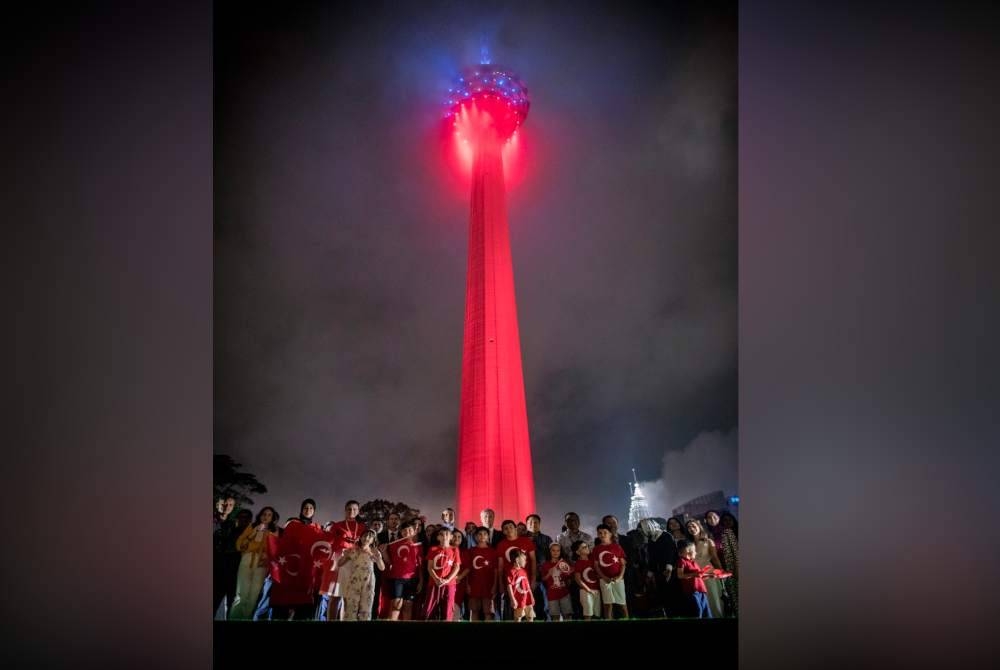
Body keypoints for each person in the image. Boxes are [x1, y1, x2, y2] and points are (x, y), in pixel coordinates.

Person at [230, 506, 279, 619]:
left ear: (272, 518)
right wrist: (254, 532)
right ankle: (234, 618)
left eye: (269, 515)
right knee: (241, 594)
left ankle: (246, 618)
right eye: (264, 514)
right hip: (248, 559)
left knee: (253, 595)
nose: (266, 517)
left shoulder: (273, 531)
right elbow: (240, 544)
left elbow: (274, 550)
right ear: (260, 515)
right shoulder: (252, 526)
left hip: (262, 563)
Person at [323, 500, 367, 621]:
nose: (351, 511)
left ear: (358, 511)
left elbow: (366, 544)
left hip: (354, 560)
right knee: (335, 595)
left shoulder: (363, 527)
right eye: (349, 509)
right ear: (345, 510)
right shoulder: (337, 525)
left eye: (354, 509)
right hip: (340, 560)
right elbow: (329, 542)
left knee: (349, 596)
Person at [337, 529, 385, 620]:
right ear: (361, 537)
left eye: (370, 537)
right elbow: (340, 564)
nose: (367, 538)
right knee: (351, 604)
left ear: (373, 540)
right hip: (354, 580)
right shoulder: (353, 550)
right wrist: (345, 556)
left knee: (366, 605)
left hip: (368, 581)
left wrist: (378, 559)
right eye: (365, 535)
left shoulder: (374, 552)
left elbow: (382, 568)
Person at [382, 520, 424, 620]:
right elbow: (389, 562)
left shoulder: (418, 546)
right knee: (396, 604)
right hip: (397, 578)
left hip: (412, 579)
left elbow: (421, 566)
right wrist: (384, 553)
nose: (407, 532)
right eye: (404, 530)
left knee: (408, 605)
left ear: (414, 531)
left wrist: (421, 581)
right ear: (401, 532)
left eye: (410, 530)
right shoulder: (393, 545)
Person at [496, 519, 537, 620]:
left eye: (511, 527)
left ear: (516, 528)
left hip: (525, 580)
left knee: (528, 608)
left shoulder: (526, 541)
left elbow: (533, 560)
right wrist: (501, 584)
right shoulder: (501, 545)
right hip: (511, 581)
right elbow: (500, 567)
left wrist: (533, 579)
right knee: (515, 609)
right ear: (503, 532)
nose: (509, 529)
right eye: (505, 528)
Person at [422, 527, 461, 621]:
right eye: (442, 534)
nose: (444, 536)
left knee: (447, 609)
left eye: (447, 534)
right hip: (434, 583)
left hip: (449, 584)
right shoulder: (433, 549)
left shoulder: (454, 550)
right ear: (438, 537)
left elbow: (456, 567)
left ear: (451, 537)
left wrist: (447, 579)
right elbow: (430, 567)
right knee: (429, 610)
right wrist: (436, 579)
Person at [593, 523, 628, 620]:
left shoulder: (617, 547)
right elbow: (596, 566)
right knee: (607, 605)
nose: (602, 535)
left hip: (618, 579)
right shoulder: (596, 549)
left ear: (610, 534)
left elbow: (623, 563)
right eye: (600, 533)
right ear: (597, 535)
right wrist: (604, 577)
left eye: (605, 532)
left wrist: (620, 577)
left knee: (622, 603)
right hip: (604, 580)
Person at [463, 527, 499, 621]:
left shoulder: (493, 551)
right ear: (475, 537)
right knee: (474, 610)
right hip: (474, 584)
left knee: (488, 611)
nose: (482, 536)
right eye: (480, 534)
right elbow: (467, 569)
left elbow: (496, 570)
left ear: (488, 537)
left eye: (485, 534)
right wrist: (467, 585)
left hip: (488, 585)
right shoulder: (470, 551)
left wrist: (495, 585)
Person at [525, 514, 553, 621]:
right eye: (530, 522)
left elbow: (551, 557)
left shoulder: (547, 539)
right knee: (529, 603)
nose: (533, 524)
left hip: (544, 575)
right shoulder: (522, 539)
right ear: (527, 524)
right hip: (527, 575)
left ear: (540, 524)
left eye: (536, 522)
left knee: (546, 602)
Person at [676, 540, 712, 618]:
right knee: (698, 611)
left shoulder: (693, 562)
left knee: (706, 610)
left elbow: (699, 576)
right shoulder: (682, 561)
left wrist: (710, 575)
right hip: (692, 591)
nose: (695, 553)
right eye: (694, 551)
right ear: (688, 551)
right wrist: (694, 574)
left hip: (701, 590)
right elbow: (680, 575)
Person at [539, 542, 574, 621]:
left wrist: (569, 573)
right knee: (555, 617)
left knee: (567, 616)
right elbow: (543, 579)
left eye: (558, 551)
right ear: (549, 551)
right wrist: (549, 573)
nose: (556, 552)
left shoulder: (563, 563)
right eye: (553, 550)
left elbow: (569, 576)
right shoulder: (545, 565)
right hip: (552, 595)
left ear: (560, 552)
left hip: (564, 594)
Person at [572, 540, 601, 620]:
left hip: (596, 590)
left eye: (587, 546)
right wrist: (589, 590)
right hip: (585, 591)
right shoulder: (578, 563)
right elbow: (578, 579)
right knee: (588, 614)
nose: (587, 548)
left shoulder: (592, 560)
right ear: (578, 552)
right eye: (584, 547)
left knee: (597, 614)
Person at [505, 548, 535, 621]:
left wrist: (531, 596)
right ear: (517, 560)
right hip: (518, 600)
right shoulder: (511, 572)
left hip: (527, 599)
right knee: (518, 617)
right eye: (524, 559)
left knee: (530, 616)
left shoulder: (524, 571)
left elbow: (527, 585)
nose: (526, 561)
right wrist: (513, 599)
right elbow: (509, 586)